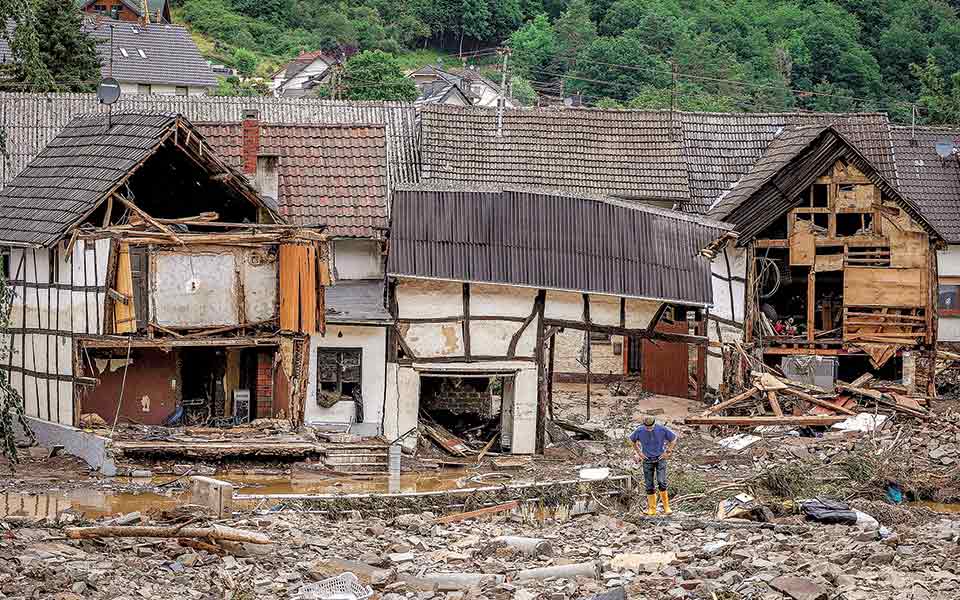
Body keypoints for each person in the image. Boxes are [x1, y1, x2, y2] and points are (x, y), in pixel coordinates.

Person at [629, 416, 678, 516]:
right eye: (647, 428)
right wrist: (639, 452)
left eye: (651, 427)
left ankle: (666, 507)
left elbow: (673, 439)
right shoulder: (639, 430)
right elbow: (632, 440)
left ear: (654, 424)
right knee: (649, 484)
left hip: (660, 458)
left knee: (661, 481)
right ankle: (652, 508)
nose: (649, 429)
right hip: (647, 459)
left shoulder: (662, 429)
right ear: (644, 425)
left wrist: (668, 451)